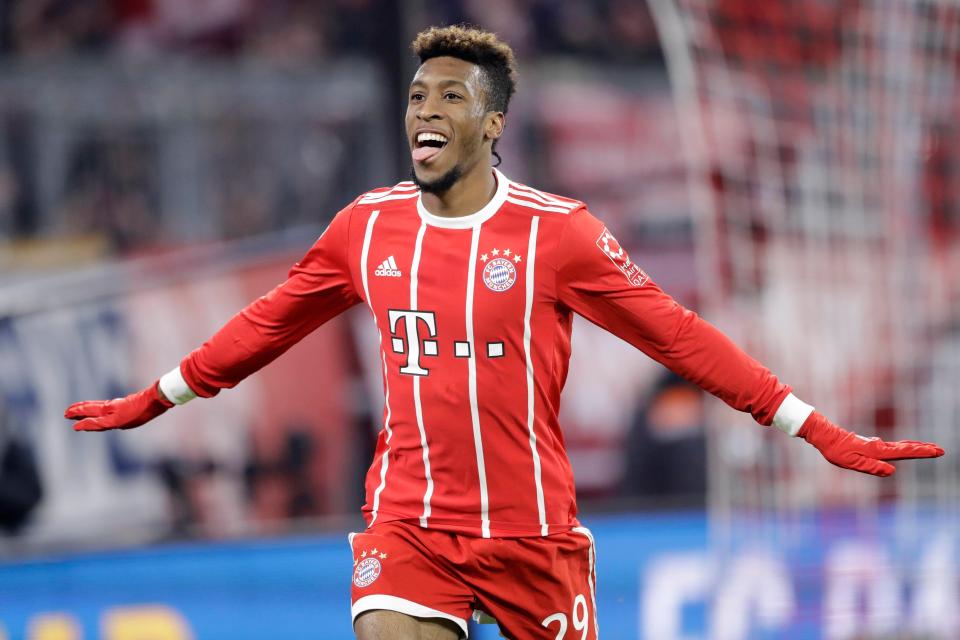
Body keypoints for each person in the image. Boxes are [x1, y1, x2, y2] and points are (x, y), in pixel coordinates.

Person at [64, 25, 944, 640]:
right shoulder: (364, 229)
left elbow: (678, 338)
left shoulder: (559, 235)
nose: (425, 112)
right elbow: (267, 324)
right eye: (417, 96)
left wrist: (810, 426)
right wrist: (158, 398)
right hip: (410, 525)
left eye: (450, 97)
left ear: (492, 124)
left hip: (534, 538)